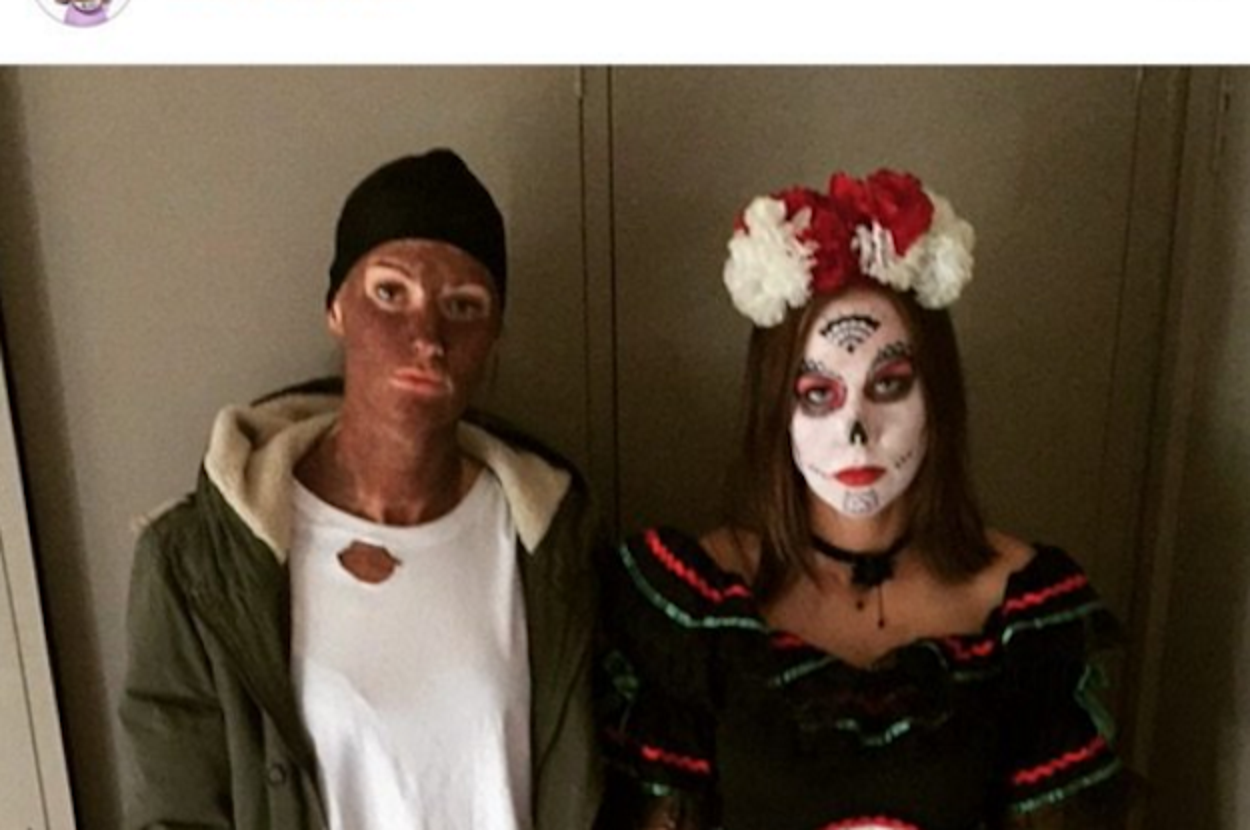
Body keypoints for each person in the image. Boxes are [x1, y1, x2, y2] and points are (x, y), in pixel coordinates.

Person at [596, 170, 1128, 829]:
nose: (856, 430)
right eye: (818, 394)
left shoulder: (1021, 607)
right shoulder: (699, 606)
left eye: (889, 385)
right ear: (775, 408)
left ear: (937, 396)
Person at [120, 148, 604, 830]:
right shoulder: (199, 563)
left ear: (494, 336)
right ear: (336, 309)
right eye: (390, 293)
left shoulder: (553, 547)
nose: (427, 337)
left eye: (463, 306)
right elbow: (175, 812)